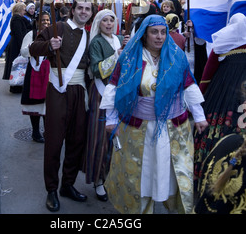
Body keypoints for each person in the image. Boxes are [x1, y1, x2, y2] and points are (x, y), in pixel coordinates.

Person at [99, 14, 208, 214]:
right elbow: (114, 87)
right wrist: (111, 119)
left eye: (163, 32)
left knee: (171, 172)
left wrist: (199, 115)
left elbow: (189, 85)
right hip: (139, 129)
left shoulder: (176, 56)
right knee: (143, 174)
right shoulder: (130, 57)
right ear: (144, 35)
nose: (159, 37)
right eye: (154, 32)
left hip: (172, 128)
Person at [29, 0, 94, 212]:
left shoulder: (90, 34)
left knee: (77, 141)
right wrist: (49, 46)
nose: (84, 12)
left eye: (88, 9)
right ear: (73, 10)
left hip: (80, 90)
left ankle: (68, 184)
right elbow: (33, 48)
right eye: (80, 8)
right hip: (58, 89)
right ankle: (51, 189)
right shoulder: (56, 28)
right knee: (54, 141)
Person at [84, 9, 130, 201]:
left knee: (117, 138)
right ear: (98, 24)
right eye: (105, 21)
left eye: (112, 20)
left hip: (119, 94)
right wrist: (117, 55)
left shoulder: (120, 39)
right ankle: (98, 180)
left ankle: (112, 176)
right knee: (100, 137)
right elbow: (96, 69)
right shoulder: (96, 42)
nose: (109, 24)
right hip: (101, 94)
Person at [194, 13, 246, 180]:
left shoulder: (223, 40)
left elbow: (208, 72)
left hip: (222, 90)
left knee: (217, 127)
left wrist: (201, 96)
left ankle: (209, 171)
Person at [20, 12, 51, 143]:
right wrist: (33, 46)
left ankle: (48, 130)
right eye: (43, 20)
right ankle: (35, 131)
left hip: (48, 72)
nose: (45, 23)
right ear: (38, 22)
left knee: (47, 103)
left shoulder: (53, 34)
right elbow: (23, 52)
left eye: (48, 20)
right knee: (34, 103)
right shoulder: (31, 34)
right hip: (34, 71)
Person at [2, 2, 32, 93]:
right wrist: (22, 46)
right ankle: (15, 86)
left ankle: (17, 85)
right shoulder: (16, 19)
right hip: (16, 44)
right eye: (23, 9)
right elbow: (19, 33)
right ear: (19, 10)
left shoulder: (19, 18)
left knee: (18, 65)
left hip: (16, 43)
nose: (25, 11)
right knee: (16, 65)